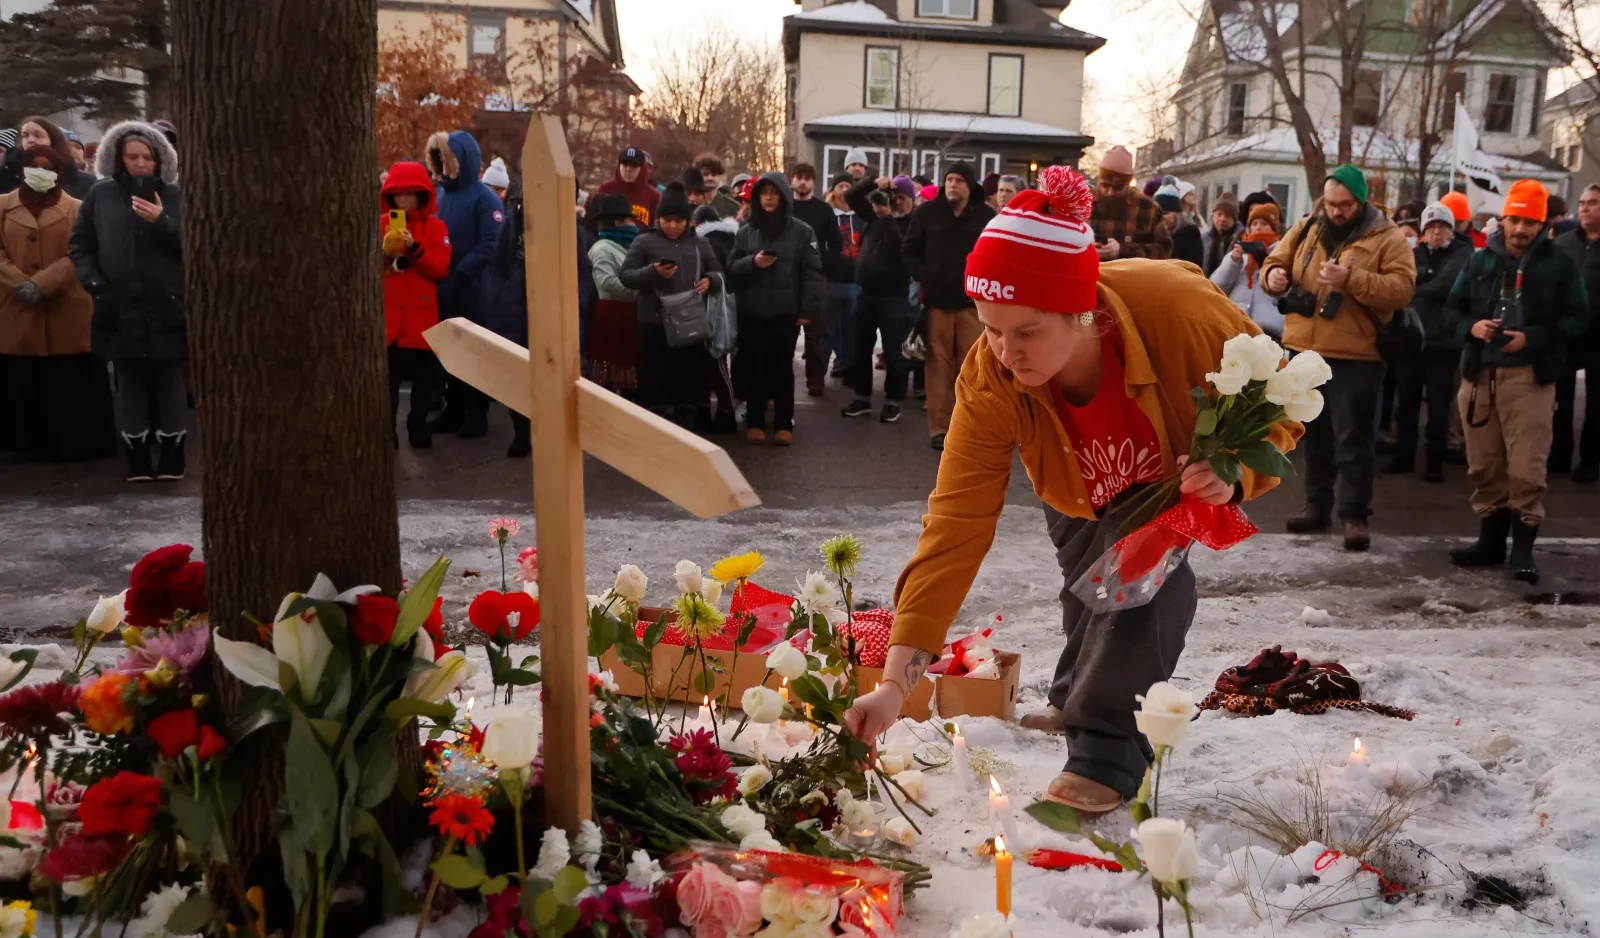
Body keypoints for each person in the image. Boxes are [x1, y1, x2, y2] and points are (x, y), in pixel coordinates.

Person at [842, 166, 1300, 814]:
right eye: (990, 327)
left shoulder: (1177, 309)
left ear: (1082, 312)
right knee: (1089, 589)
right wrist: (895, 686)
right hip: (1076, 487)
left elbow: (1284, 394)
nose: (1006, 352)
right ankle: (1071, 696)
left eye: (1027, 332)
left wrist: (1234, 473)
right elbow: (955, 526)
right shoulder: (990, 376)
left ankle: (1105, 756)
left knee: (1140, 593)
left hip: (1172, 479)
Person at [1260, 163, 1416, 550]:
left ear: (1361, 202)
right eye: (1330, 203)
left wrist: (1351, 280)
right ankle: (1316, 506)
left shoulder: (1387, 237)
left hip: (1356, 354)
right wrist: (1273, 277)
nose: (1335, 211)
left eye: (1344, 205)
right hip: (1306, 350)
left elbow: (1402, 289)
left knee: (1353, 439)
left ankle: (1354, 515)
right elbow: (1274, 262)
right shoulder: (1307, 227)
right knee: (1315, 436)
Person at [1446, 180, 1589, 583]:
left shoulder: (1559, 264)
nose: (1521, 229)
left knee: (1527, 466)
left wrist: (1534, 337)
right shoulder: (1479, 260)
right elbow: (1451, 310)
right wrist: (1472, 327)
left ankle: (1523, 550)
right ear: (1503, 219)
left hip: (1530, 378)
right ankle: (1490, 543)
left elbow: (1578, 317)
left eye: (1530, 222)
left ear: (1543, 224)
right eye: (1514, 220)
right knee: (1483, 465)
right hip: (1479, 375)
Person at [68, 121, 186, 482]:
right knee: (129, 381)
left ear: (159, 159)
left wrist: (162, 221)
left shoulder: (175, 195)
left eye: (147, 157)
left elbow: (194, 245)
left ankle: (173, 453)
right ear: (118, 158)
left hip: (167, 304)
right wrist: (95, 283)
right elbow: (81, 243)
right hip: (118, 304)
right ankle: (136, 455)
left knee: (169, 381)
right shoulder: (101, 195)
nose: (140, 163)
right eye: (132, 157)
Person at [0, 144, 115, 461]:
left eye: (48, 168)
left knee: (67, 377)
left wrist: (42, 283)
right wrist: (19, 282)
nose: (41, 173)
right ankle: (24, 445)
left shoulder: (78, 208)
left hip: (66, 308)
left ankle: (73, 443)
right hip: (16, 307)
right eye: (34, 166)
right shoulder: (2, 206)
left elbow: (82, 252)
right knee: (22, 377)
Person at [902, 162, 996, 451]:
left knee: (972, 368)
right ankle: (940, 429)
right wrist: (925, 273)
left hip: (972, 306)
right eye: (949, 179)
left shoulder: (985, 216)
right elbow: (909, 250)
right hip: (937, 304)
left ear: (970, 186)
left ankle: (968, 427)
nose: (953, 184)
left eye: (959, 180)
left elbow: (997, 254)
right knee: (937, 368)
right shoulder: (926, 213)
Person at [727, 173, 826, 445]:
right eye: (764, 193)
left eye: (774, 193)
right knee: (755, 366)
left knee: (782, 368)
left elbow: (813, 272)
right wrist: (752, 263)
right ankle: (755, 421)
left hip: (786, 312)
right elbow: (731, 268)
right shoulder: (746, 231)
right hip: (752, 311)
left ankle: (784, 423)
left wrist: (807, 310)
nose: (769, 198)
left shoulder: (802, 231)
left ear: (783, 196)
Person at [618, 185, 724, 431]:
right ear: (658, 219)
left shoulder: (700, 244)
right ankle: (658, 429)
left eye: (679, 221)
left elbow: (719, 273)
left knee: (688, 380)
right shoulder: (644, 241)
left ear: (688, 221)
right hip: (653, 324)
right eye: (667, 220)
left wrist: (711, 280)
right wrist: (653, 272)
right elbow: (626, 276)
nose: (673, 226)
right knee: (656, 381)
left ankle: (687, 429)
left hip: (689, 323)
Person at [423, 130, 503, 439]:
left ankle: (476, 415)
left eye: (449, 160)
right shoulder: (442, 195)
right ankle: (453, 410)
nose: (444, 167)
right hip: (444, 287)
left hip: (473, 290)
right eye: (440, 161)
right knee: (450, 354)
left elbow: (491, 243)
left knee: (475, 355)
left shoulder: (484, 198)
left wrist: (461, 272)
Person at [1386, 202, 1472, 481]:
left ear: (1451, 229)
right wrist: (1421, 283)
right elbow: (1401, 282)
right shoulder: (1413, 254)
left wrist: (1417, 287)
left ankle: (1434, 462)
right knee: (1406, 402)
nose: (1436, 232)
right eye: (1431, 227)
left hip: (1444, 342)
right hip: (1411, 339)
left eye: (1442, 226)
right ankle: (1403, 457)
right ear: (1423, 231)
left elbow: (1447, 286)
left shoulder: (1462, 254)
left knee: (1438, 405)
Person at [379, 161, 452, 450]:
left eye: (409, 194)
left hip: (421, 317)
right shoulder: (381, 224)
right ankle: (387, 431)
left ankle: (417, 425)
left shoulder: (436, 227)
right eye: (397, 194)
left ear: (421, 195)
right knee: (388, 383)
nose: (402, 200)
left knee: (423, 381)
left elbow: (439, 269)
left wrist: (415, 249)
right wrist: (387, 255)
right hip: (390, 318)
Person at [841, 175, 916, 423]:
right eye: (893, 197)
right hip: (867, 293)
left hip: (894, 296)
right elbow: (851, 196)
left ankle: (893, 400)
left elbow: (902, 251)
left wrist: (888, 219)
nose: (896, 202)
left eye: (901, 197)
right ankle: (861, 397)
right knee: (860, 348)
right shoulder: (875, 216)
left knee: (894, 353)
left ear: (911, 200)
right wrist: (874, 183)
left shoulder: (914, 224)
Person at [1550, 183, 1600, 483]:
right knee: (1560, 397)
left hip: (1598, 334)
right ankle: (1559, 455)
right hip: (1566, 332)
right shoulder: (1563, 243)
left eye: (1592, 202)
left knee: (1596, 402)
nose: (1585, 208)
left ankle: (1591, 460)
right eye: (1582, 202)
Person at [786, 163, 845, 396]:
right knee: (785, 335)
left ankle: (815, 381)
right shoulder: (785, 207)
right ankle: (780, 383)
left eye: (807, 178)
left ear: (813, 181)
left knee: (816, 335)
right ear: (791, 180)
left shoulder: (823, 209)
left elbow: (836, 242)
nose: (803, 182)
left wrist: (824, 264)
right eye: (798, 177)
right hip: (787, 277)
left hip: (816, 278)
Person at [584, 193, 642, 398]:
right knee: (611, 369)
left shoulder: (627, 246)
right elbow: (607, 283)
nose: (633, 225)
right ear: (617, 222)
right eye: (629, 220)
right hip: (612, 316)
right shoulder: (602, 249)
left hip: (627, 315)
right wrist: (640, 292)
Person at [692, 204, 741, 433]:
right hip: (731, 306)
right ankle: (726, 410)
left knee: (709, 362)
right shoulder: (734, 239)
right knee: (719, 362)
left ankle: (713, 411)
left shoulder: (704, 242)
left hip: (709, 306)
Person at [1209, 201, 1283, 339]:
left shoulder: (1281, 253)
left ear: (1274, 228)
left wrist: (1266, 263)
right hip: (1235, 328)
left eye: (1264, 224)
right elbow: (1215, 287)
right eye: (1254, 224)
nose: (1258, 228)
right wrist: (1233, 262)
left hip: (1268, 331)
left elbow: (1287, 292)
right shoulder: (1239, 253)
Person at [1090, 146, 1172, 261]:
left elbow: (1164, 251)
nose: (1110, 192)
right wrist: (1086, 249)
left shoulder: (1148, 208)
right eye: (1105, 185)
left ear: (1128, 183)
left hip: (1129, 272)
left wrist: (1122, 250)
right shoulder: (1082, 203)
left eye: (1118, 187)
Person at [826, 172, 865, 382]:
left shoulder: (860, 217)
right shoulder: (828, 216)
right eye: (840, 186)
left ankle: (848, 363)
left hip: (854, 279)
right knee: (831, 326)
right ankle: (838, 359)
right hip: (832, 278)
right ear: (833, 191)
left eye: (847, 186)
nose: (844, 190)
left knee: (850, 325)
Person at [15, 117, 93, 200]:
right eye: (25, 136)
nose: (30, 140)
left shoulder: (85, 182)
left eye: (38, 136)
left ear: (53, 140)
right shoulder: (11, 176)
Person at [585, 146, 659, 228]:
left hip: (640, 236)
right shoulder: (605, 188)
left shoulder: (654, 196)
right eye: (624, 164)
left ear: (642, 168)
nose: (628, 169)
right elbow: (590, 218)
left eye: (634, 166)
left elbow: (657, 226)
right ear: (619, 166)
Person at [1155, 189, 1203, 267]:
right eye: (1158, 214)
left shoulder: (1190, 232)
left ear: (1176, 213)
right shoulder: (1153, 232)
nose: (1162, 217)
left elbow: (1193, 265)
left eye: (1165, 213)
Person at [1201, 193, 1242, 276]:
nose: (1222, 219)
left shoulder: (1240, 240)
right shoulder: (1203, 239)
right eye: (1219, 214)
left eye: (1228, 215)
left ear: (1234, 219)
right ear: (1213, 215)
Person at [694, 154, 741, 218]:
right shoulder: (691, 203)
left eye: (714, 174)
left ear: (720, 177)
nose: (710, 178)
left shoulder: (733, 207)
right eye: (705, 174)